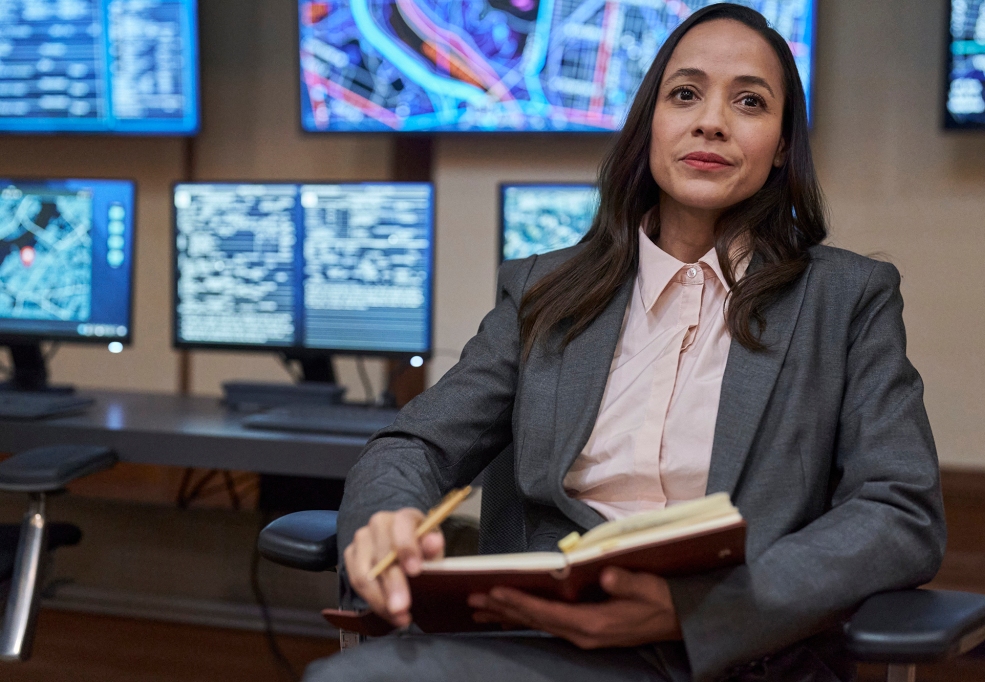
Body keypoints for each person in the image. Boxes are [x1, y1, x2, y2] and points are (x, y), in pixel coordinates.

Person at [304, 4, 945, 681]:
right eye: (685, 94)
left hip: (735, 655)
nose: (711, 121)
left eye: (750, 102)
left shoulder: (846, 299)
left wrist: (701, 609)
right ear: (650, 127)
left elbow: (898, 510)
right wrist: (387, 519)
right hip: (539, 644)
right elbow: (416, 445)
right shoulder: (542, 293)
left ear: (783, 143)